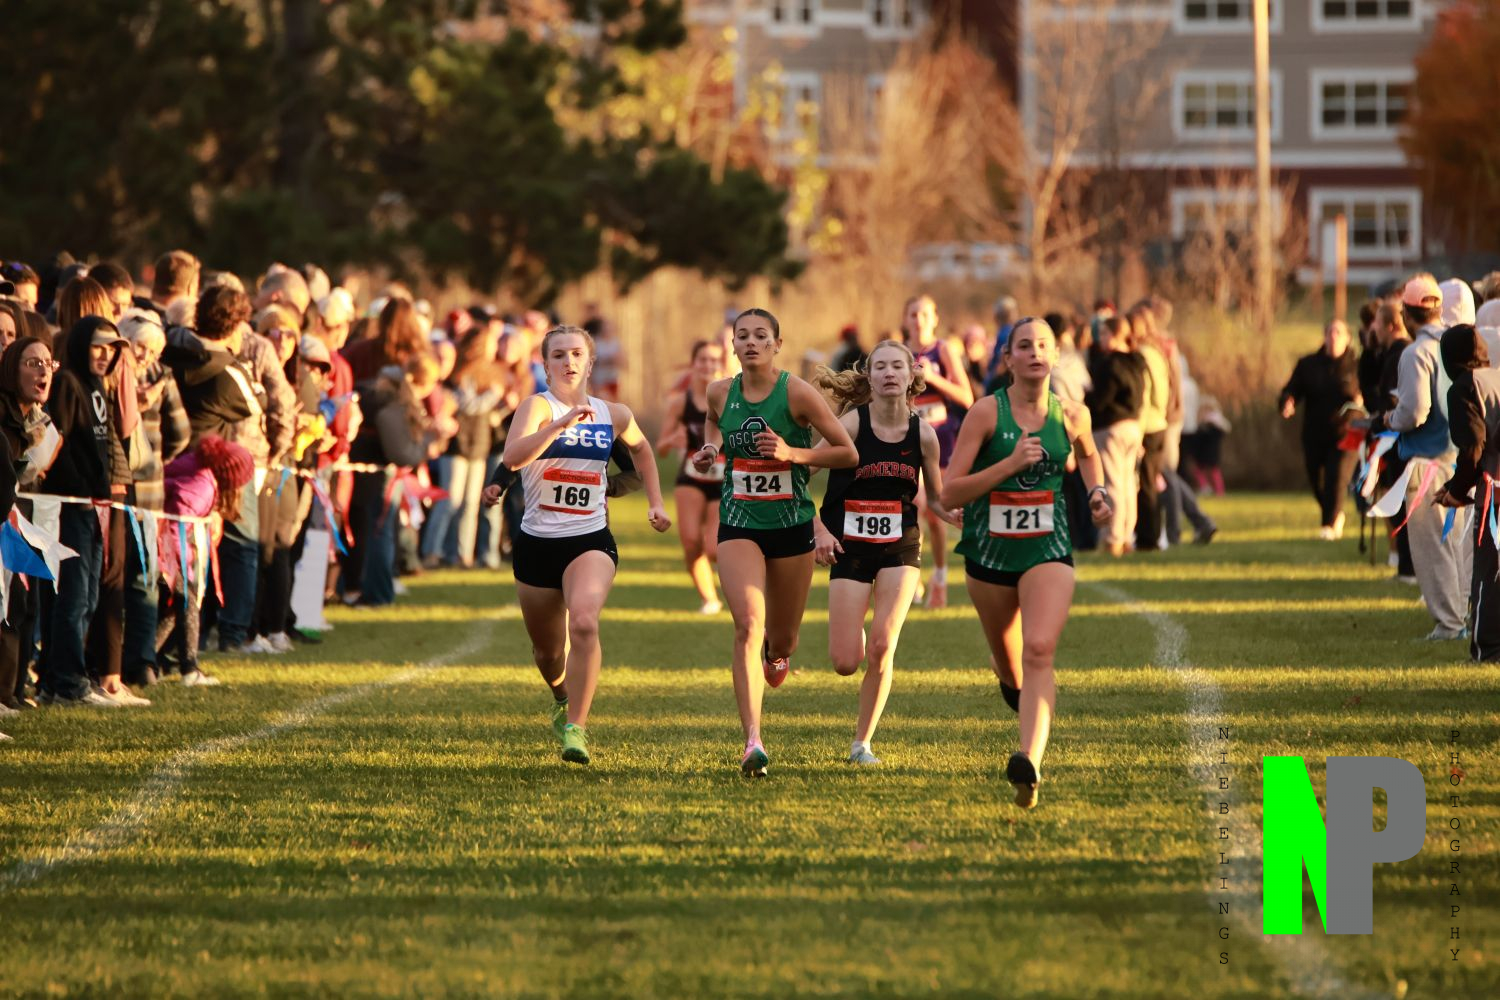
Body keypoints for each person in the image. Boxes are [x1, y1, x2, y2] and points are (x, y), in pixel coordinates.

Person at [942, 317, 1112, 809]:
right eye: (1024, 345)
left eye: (1043, 345)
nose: (1035, 352)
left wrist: (1097, 492)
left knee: (1039, 649)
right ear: (1008, 359)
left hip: (1047, 549)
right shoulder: (985, 414)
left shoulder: (1073, 414)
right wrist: (1009, 465)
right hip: (989, 555)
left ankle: (1029, 762)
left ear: (1055, 356)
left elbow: (1089, 456)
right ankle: (1007, 676)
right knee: (1013, 670)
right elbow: (951, 492)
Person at [484, 325, 672, 766]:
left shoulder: (613, 413)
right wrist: (560, 425)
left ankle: (577, 728)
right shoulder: (536, 407)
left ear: (590, 363)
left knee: (584, 622)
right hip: (537, 543)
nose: (568, 362)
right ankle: (560, 696)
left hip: (590, 539)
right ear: (545, 365)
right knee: (548, 654)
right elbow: (513, 458)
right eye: (558, 355)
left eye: (576, 354)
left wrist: (656, 503)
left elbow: (642, 451)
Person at [688, 308, 858, 777]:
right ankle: (753, 741)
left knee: (782, 637)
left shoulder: (797, 393)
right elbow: (712, 420)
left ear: (777, 344)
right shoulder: (719, 391)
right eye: (742, 335)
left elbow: (847, 452)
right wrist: (711, 448)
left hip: (791, 526)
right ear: (733, 345)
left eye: (760, 335)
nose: (750, 342)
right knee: (748, 623)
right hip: (738, 523)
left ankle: (776, 652)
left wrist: (791, 453)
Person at [812, 340, 961, 765]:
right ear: (870, 376)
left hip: (901, 545)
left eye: (898, 366)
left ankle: (862, 744)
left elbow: (935, 499)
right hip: (848, 546)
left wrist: (957, 515)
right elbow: (802, 472)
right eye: (881, 367)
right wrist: (818, 529)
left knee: (883, 645)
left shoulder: (924, 435)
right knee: (846, 661)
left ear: (913, 375)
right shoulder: (851, 425)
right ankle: (853, 630)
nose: (890, 373)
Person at [38, 317, 133, 707]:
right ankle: (66, 683)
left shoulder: (99, 387)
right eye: (98, 346)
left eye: (112, 349)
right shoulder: (68, 383)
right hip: (73, 506)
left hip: (96, 506)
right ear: (81, 345)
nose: (105, 355)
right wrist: (80, 488)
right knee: (74, 597)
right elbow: (55, 444)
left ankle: (62, 678)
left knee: (90, 596)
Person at [1369, 276, 1469, 641]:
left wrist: (1389, 419)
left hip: (1426, 462)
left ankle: (1449, 624)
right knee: (1454, 545)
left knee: (1432, 549)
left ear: (1407, 314)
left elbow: (1414, 412)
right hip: (1458, 459)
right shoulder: (1456, 346)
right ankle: (1460, 616)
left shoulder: (1416, 353)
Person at [157, 436, 257, 685]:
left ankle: (147, 658)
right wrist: (180, 568)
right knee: (188, 601)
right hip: (169, 553)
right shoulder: (202, 487)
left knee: (177, 607)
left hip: (171, 550)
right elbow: (176, 528)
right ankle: (189, 669)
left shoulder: (203, 476)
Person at [0, 336, 59, 713]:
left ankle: (11, 692)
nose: (43, 371)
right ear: (11, 369)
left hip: (18, 516)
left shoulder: (37, 419)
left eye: (48, 363)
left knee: (20, 602)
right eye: (32, 362)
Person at [902, 295, 973, 607]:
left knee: (934, 513)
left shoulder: (942, 349)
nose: (919, 320)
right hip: (906, 437)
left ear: (935, 319)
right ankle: (910, 575)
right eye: (913, 314)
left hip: (939, 438)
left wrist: (933, 378)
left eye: (924, 314)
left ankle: (940, 575)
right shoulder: (898, 352)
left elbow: (967, 397)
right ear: (905, 319)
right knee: (910, 505)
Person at [1434, 325, 1500, 660]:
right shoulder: (1496, 378)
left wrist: (1457, 491)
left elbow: (1474, 447)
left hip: (1496, 492)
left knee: (1489, 570)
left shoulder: (1464, 387)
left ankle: (1487, 648)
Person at [659, 339, 728, 614]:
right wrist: (672, 440)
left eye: (714, 360)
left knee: (713, 548)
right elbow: (661, 447)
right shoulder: (681, 403)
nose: (708, 365)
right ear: (693, 364)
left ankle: (741, 584)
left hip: (723, 479)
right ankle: (710, 599)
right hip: (690, 477)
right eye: (703, 359)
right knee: (690, 542)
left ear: (721, 364)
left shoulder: (731, 399)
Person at [1279, 320, 1362, 540]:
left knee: (1337, 476)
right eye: (1330, 332)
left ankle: (1329, 525)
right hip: (1315, 433)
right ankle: (1334, 513)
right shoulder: (1308, 365)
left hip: (1347, 433)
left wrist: (1361, 399)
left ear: (1347, 338)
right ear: (1324, 337)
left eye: (1338, 333)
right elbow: (1291, 390)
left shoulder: (1357, 365)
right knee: (1317, 481)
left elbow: (1372, 391)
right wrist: (1287, 402)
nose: (1333, 337)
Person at [1085, 316, 1146, 556]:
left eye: (1103, 333)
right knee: (1129, 484)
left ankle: (1113, 538)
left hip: (1111, 426)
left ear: (1114, 335)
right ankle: (1127, 536)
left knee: (1112, 484)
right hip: (1134, 425)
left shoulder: (1109, 364)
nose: (1100, 339)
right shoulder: (1136, 362)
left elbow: (1101, 400)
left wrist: (1087, 396)